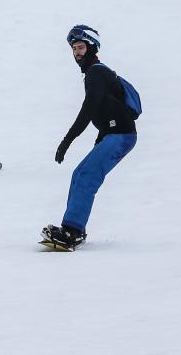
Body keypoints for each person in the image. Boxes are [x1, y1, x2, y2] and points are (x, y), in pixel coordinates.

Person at [43, 25, 138, 250]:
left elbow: (89, 108)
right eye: (74, 48)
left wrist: (67, 140)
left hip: (121, 135)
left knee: (87, 176)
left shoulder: (96, 72)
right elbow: (105, 110)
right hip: (114, 134)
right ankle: (74, 229)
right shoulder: (95, 73)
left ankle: (72, 231)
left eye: (81, 47)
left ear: (92, 47)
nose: (77, 52)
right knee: (79, 174)